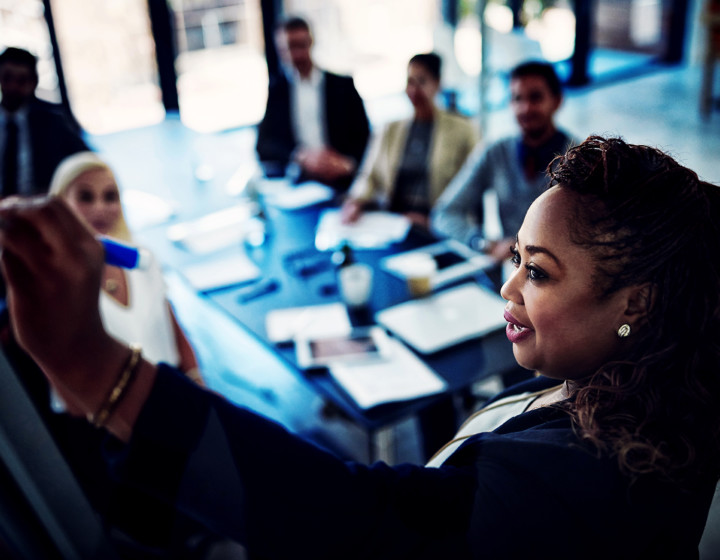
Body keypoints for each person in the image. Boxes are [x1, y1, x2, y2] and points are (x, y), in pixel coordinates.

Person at [2, 135, 719, 558]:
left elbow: (364, 528)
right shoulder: (642, 391)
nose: (509, 292)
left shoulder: (582, 488)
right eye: (515, 261)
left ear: (637, 303)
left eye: (538, 272)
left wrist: (98, 370)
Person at [48, 152, 203, 385]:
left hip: (172, 388)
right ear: (60, 205)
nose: (100, 208)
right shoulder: (54, 283)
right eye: (86, 197)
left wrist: (197, 380)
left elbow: (171, 323)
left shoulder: (142, 258)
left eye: (110, 196)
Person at [430, 60, 573, 264]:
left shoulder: (580, 160)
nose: (525, 108)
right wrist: (482, 243)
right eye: (517, 99)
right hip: (511, 271)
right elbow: (445, 214)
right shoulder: (495, 152)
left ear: (557, 101)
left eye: (536, 97)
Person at [341, 52, 479, 229]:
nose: (413, 90)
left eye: (421, 81)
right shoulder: (390, 129)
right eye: (410, 82)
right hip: (394, 222)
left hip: (438, 224)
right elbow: (369, 175)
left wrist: (433, 221)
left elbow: (471, 188)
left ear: (437, 84)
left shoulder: (463, 129)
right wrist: (355, 202)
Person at [255, 16, 371, 191]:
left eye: (301, 45)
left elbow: (366, 138)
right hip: (301, 182)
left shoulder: (343, 86)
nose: (297, 55)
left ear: (311, 42)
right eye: (289, 47)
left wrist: (347, 164)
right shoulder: (278, 90)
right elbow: (264, 145)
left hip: (341, 180)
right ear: (280, 50)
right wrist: (300, 156)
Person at [0, 46, 90, 197]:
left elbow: (85, 162)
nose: (13, 87)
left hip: (42, 207)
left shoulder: (54, 121)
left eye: (21, 81)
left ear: (33, 83)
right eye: (7, 78)